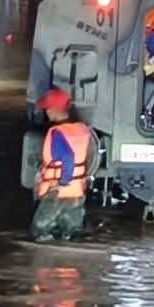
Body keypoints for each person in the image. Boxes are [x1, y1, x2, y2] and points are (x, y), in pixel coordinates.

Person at [31, 87, 96, 242]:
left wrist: (62, 183)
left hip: (57, 193)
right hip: (76, 192)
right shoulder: (82, 129)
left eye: (47, 108)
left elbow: (67, 157)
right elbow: (91, 156)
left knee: (39, 231)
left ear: (55, 109)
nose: (46, 112)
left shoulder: (57, 133)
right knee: (70, 233)